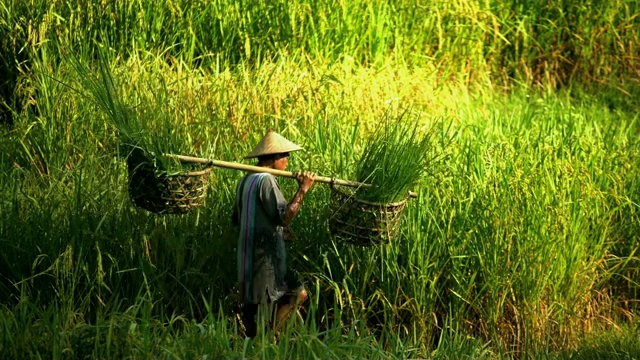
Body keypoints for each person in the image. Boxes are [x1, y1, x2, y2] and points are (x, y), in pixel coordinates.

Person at [232, 130, 315, 338]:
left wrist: (277, 231)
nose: (287, 161)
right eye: (285, 156)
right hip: (265, 259)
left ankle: (254, 345)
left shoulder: (245, 181)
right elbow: (284, 216)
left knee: (252, 311)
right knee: (298, 294)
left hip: (246, 257)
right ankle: (271, 338)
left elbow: (237, 218)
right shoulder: (266, 180)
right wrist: (303, 189)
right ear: (275, 158)